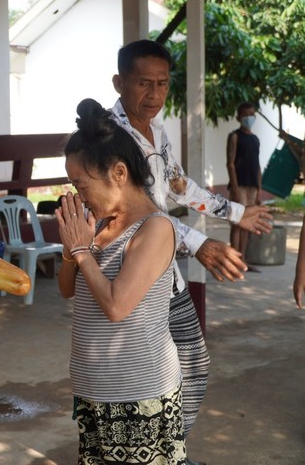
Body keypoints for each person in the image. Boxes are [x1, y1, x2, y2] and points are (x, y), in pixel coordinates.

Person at [109, 40, 272, 455]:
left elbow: (179, 188)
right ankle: (149, 453)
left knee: (191, 365)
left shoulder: (157, 131)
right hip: (127, 275)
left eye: (163, 84)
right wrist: (199, 243)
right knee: (143, 376)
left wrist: (237, 213)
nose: (155, 95)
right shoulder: (108, 139)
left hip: (165, 273)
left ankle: (167, 450)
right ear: (119, 82)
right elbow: (135, 214)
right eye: (144, 83)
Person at [56, 98, 185, 464]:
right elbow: (68, 289)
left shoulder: (155, 228)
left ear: (118, 173)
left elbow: (117, 306)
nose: (78, 194)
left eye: (81, 184)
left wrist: (81, 251)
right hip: (95, 389)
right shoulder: (97, 225)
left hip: (139, 395)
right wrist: (71, 248)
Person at [226, 102, 262, 263]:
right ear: (238, 118)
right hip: (239, 186)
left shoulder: (255, 139)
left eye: (252, 114)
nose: (249, 118)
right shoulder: (234, 136)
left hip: (252, 187)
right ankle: (234, 260)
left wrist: (259, 190)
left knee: (247, 224)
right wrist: (234, 189)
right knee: (236, 223)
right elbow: (230, 163)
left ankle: (243, 260)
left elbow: (257, 165)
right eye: (246, 115)